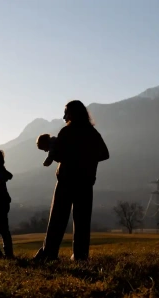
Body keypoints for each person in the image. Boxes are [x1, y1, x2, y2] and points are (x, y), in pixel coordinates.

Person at [34, 100, 109, 262]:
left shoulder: (66, 132)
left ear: (73, 114)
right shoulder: (92, 133)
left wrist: (66, 156)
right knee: (82, 221)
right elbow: (104, 154)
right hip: (86, 182)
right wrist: (87, 159)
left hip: (66, 181)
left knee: (57, 219)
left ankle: (49, 253)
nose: (63, 116)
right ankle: (80, 256)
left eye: (66, 112)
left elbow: (60, 155)